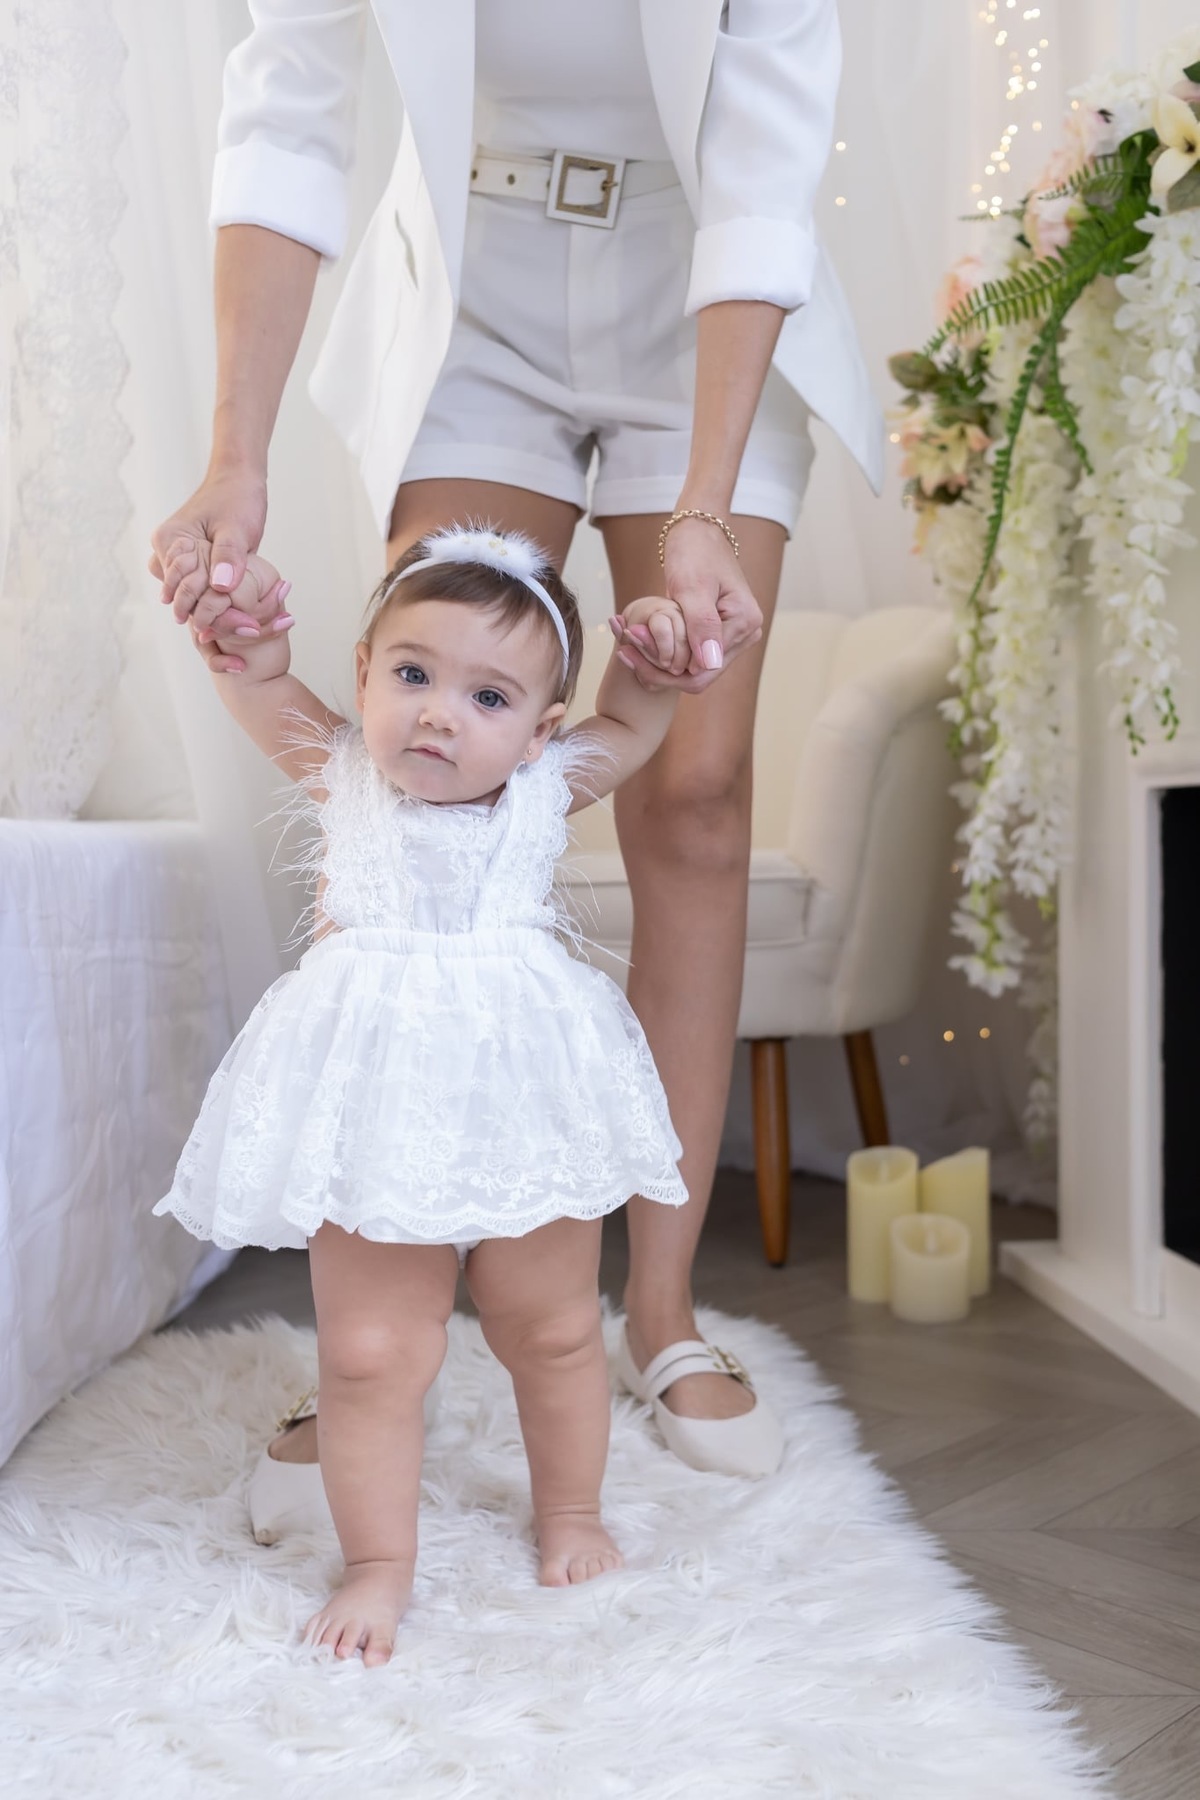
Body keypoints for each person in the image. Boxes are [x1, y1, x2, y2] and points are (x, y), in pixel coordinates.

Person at [151, 1, 882, 1497]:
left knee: (694, 793)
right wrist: (235, 458)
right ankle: (380, 1340)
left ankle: (662, 1311)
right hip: (472, 285)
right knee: (406, 793)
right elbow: (287, 104)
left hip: (703, 300)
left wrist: (702, 498)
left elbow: (761, 173)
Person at [156, 523, 695, 1664]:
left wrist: (651, 669)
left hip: (519, 1092)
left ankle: (571, 1510)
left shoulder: (546, 787)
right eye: (412, 675)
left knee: (548, 1329)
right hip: (377, 1103)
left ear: (541, 730)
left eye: (488, 696)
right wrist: (241, 625)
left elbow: (639, 721)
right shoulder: (343, 767)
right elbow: (254, 681)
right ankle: (378, 1563)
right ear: (363, 675)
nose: (440, 712)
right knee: (368, 1352)